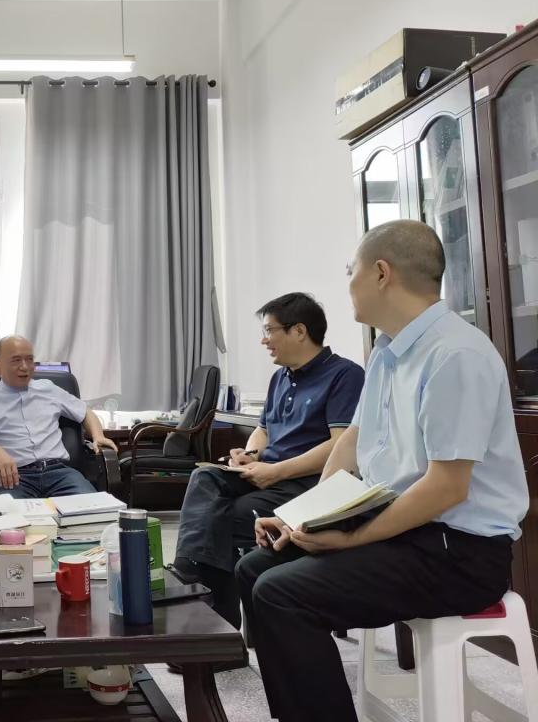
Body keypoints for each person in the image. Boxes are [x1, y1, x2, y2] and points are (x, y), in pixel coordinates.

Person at [237, 220, 527, 722]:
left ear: (380, 273)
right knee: (255, 569)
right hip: (408, 531)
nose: (347, 281)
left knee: (282, 594)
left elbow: (446, 488)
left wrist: (349, 539)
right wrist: (304, 518)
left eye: (350, 270)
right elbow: (352, 440)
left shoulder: (455, 355)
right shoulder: (388, 352)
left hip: (458, 552)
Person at [170, 293, 364, 630]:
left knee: (217, 520)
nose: (264, 340)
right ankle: (191, 575)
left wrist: (275, 471)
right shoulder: (280, 377)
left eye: (269, 331)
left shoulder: (344, 375)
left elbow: (340, 446)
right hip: (267, 476)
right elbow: (262, 430)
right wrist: (251, 454)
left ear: (299, 331)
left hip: (307, 484)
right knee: (204, 478)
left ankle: (216, 618)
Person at [0, 335, 118, 499]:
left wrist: (98, 436)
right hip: (15, 477)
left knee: (93, 506)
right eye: (16, 360)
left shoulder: (48, 389)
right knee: (13, 515)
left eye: (30, 359)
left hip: (59, 473)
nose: (25, 367)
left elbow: (85, 412)